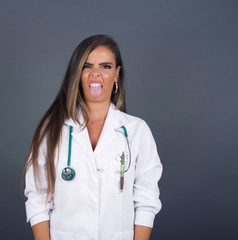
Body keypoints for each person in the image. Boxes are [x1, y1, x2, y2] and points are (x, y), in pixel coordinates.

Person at [23, 35, 162, 240]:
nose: (96, 74)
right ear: (77, 74)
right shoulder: (52, 129)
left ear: (117, 74)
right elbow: (38, 197)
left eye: (105, 67)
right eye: (87, 66)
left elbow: (146, 200)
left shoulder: (136, 131)